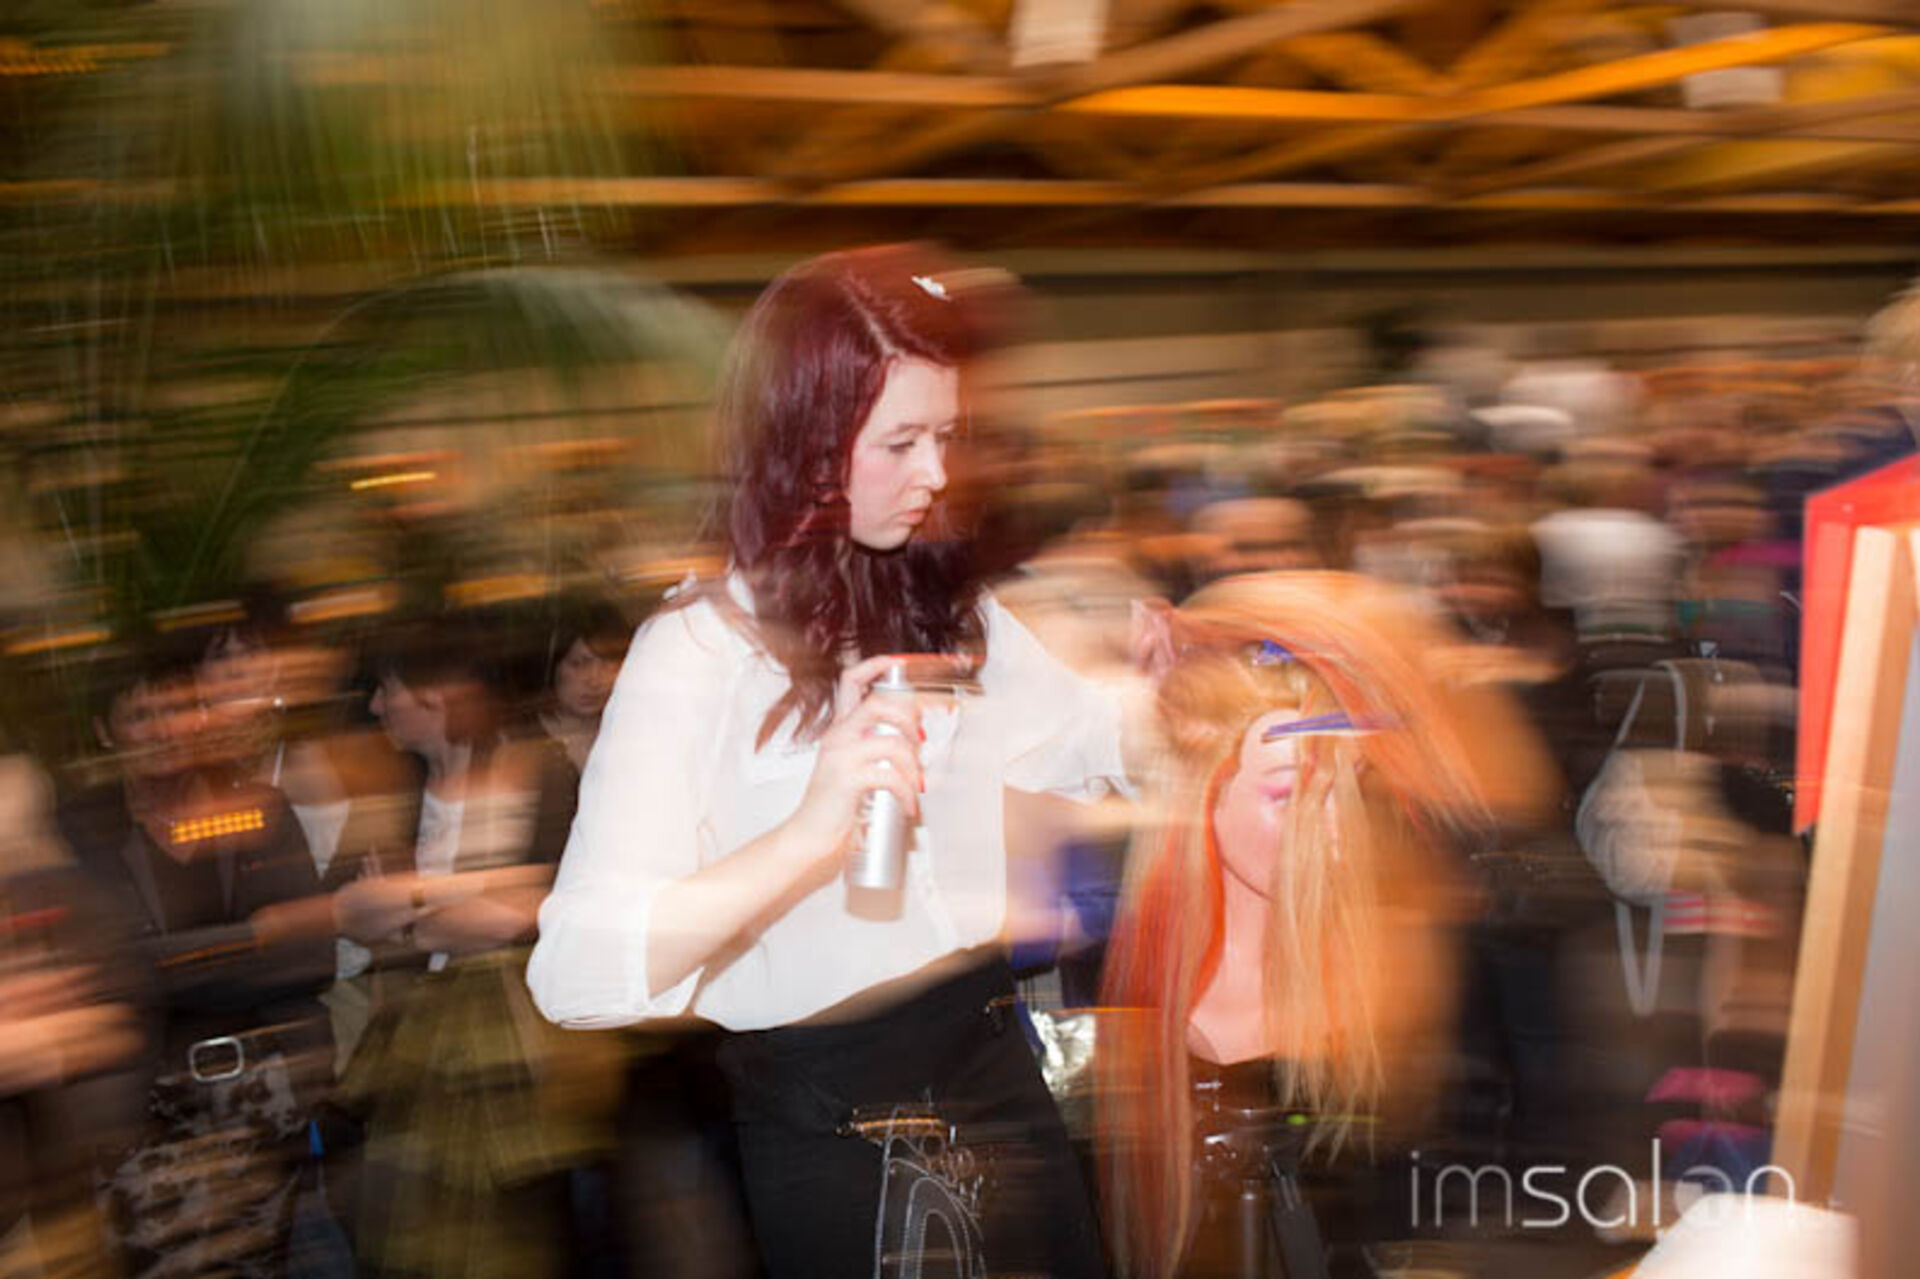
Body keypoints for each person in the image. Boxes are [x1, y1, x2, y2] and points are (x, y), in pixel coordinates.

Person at [529, 244, 1134, 1279]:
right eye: (900, 442)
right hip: (839, 1127)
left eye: (944, 437)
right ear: (805, 444)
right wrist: (810, 834)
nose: (935, 473)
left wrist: (1173, 682)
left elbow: (1086, 749)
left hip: (997, 1077)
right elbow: (576, 972)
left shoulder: (950, 611)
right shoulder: (699, 651)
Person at [1100, 573, 1554, 1279]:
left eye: (1349, 790)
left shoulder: (1399, 992)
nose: (1336, 837)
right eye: (1289, 795)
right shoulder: (1111, 996)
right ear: (1204, 792)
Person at [325, 620, 615, 1279]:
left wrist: (412, 902)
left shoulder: (537, 775)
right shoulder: (390, 791)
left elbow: (540, 907)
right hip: (415, 1068)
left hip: (519, 1065)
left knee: (528, 1237)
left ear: (438, 693)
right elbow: (351, 911)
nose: (377, 705)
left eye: (389, 688)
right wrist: (466, 902)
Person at [58, 643, 335, 1279]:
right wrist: (253, 937)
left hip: (262, 1101)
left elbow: (309, 954)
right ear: (105, 732)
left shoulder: (262, 809)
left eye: (181, 709)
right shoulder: (81, 829)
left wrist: (167, 964)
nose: (167, 730)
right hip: (141, 1113)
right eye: (142, 715)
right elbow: (111, 973)